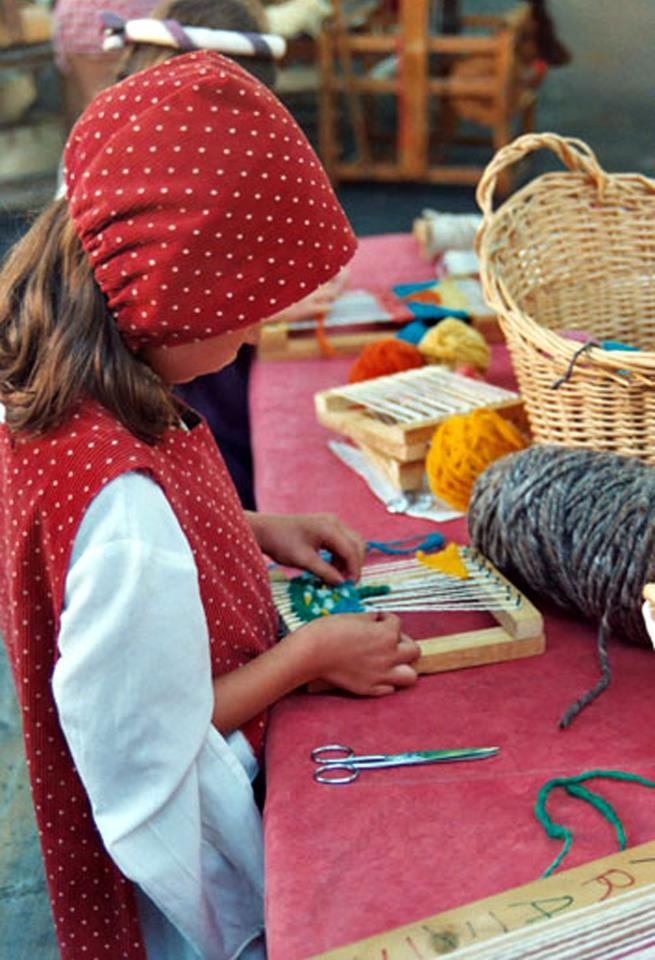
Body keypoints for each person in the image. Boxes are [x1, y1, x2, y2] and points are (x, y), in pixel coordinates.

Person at [0, 51, 420, 960]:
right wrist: (305, 657)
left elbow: (143, 553)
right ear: (175, 291)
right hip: (180, 867)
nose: (255, 334)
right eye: (245, 313)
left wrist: (250, 529)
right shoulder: (120, 512)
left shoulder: (90, 386)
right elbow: (149, 743)